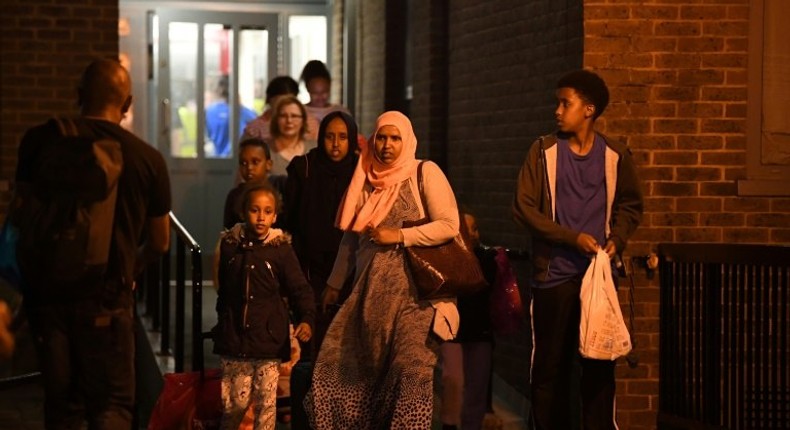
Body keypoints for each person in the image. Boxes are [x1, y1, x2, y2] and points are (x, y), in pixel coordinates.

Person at [11, 58, 171, 429]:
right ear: (127, 104)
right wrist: (133, 264)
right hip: (108, 301)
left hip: (48, 300)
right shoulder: (148, 160)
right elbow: (161, 243)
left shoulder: (39, 141)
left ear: (78, 95)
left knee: (62, 405)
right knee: (112, 405)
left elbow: (18, 217)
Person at [305, 111, 461, 429]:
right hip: (370, 299)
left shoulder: (424, 173)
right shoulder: (366, 179)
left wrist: (400, 235)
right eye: (381, 137)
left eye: (395, 138)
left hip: (418, 300)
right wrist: (336, 283)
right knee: (350, 376)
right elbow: (351, 236)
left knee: (410, 372)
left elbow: (449, 225)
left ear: (407, 140)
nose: (387, 145)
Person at [512, 69, 643, 430]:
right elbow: (524, 207)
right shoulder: (544, 152)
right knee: (550, 370)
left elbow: (631, 206)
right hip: (554, 276)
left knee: (599, 369)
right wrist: (572, 238)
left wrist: (618, 237)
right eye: (558, 103)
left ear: (588, 109)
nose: (557, 110)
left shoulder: (615, 155)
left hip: (597, 279)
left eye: (564, 103)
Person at [212, 180, 315, 430]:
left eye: (267, 212)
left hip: (268, 340)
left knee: (266, 406)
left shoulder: (279, 250)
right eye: (255, 210)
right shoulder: (230, 246)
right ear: (243, 212)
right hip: (235, 340)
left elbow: (299, 287)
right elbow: (224, 290)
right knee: (234, 405)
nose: (261, 217)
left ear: (275, 215)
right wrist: (223, 323)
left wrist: (307, 318)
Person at [282, 111, 359, 429]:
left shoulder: (360, 171)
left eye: (343, 137)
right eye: (330, 136)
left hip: (351, 272)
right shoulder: (304, 168)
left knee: (345, 344)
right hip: (309, 270)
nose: (336, 144)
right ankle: (311, 414)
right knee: (313, 340)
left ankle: (340, 412)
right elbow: (289, 220)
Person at [439, 207, 499, 430]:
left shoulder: (487, 259)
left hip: (480, 331)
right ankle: (450, 425)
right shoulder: (446, 258)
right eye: (468, 229)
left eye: (475, 228)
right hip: (453, 332)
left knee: (477, 385)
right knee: (453, 382)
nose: (474, 233)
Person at [265, 95, 317, 194]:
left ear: (303, 120)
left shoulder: (314, 149)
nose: (289, 121)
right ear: (276, 119)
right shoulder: (264, 151)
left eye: (294, 116)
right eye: (283, 116)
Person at [242, 76, 319, 143]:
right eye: (280, 103)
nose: (289, 120)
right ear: (270, 100)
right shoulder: (254, 129)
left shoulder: (310, 123)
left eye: (289, 103)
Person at [223, 138, 273, 229]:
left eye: (255, 162)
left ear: (268, 164)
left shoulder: (280, 187)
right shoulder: (235, 196)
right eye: (243, 163)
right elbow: (228, 232)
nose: (249, 167)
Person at [205, 75, 259, 158]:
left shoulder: (209, 112)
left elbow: (207, 137)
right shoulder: (244, 112)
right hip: (239, 162)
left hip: (215, 162)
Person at [299, 60, 349, 124]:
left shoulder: (340, 112)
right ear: (307, 89)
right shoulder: (300, 112)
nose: (320, 97)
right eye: (315, 93)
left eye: (324, 92)